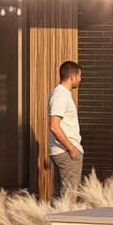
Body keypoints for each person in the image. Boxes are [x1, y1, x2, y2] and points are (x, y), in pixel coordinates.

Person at [45, 59, 84, 201]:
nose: (80, 80)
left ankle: (53, 222)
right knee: (69, 196)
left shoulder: (62, 94)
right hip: (66, 153)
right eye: (79, 76)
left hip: (63, 151)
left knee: (60, 196)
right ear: (72, 77)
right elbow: (54, 126)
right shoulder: (61, 95)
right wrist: (71, 148)